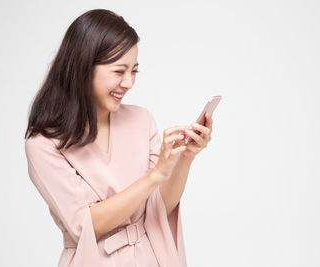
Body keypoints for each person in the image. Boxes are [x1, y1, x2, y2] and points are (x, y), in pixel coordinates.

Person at [24, 8, 213, 267]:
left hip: (151, 258)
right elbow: (84, 225)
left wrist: (185, 159)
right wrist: (155, 175)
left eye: (134, 71)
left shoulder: (141, 119)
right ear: (83, 67)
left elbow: (159, 208)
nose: (129, 82)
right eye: (119, 71)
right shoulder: (44, 144)